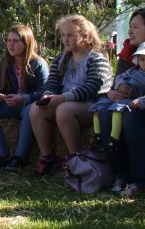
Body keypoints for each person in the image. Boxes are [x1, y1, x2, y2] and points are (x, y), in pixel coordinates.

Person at [29, 14, 112, 175]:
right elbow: (52, 82)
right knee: (36, 108)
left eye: (70, 35)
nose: (65, 39)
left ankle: (75, 159)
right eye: (63, 35)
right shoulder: (61, 58)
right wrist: (48, 96)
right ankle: (47, 157)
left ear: (85, 36)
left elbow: (93, 88)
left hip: (93, 106)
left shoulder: (96, 58)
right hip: (65, 102)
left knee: (64, 109)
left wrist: (63, 98)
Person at [0, 25, 49, 171]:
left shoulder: (38, 64)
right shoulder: (5, 63)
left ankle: (20, 157)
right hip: (10, 104)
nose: (10, 44)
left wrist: (24, 99)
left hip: (29, 105)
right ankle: (1, 155)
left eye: (15, 41)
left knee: (30, 111)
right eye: (9, 40)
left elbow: (44, 91)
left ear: (26, 43)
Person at [90, 41, 145, 194]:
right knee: (106, 114)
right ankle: (121, 174)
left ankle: (142, 182)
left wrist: (139, 102)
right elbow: (119, 78)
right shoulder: (133, 71)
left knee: (130, 119)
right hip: (131, 108)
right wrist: (120, 87)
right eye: (143, 59)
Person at [114, 8, 145, 76]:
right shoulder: (127, 55)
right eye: (130, 26)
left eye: (135, 27)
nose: (130, 31)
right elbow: (117, 84)